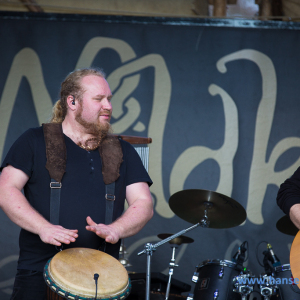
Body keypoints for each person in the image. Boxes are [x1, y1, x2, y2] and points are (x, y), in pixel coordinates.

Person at [0, 67, 153, 300]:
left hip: (101, 277)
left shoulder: (123, 151)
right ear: (72, 102)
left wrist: (116, 229)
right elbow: (5, 189)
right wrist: (43, 228)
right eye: (99, 99)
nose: (109, 106)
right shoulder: (34, 141)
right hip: (38, 273)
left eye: (109, 99)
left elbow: (144, 202)